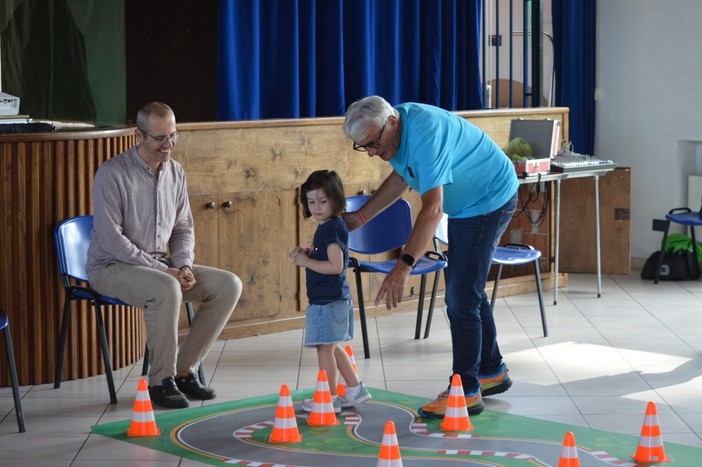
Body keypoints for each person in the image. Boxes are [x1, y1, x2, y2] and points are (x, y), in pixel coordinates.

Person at [341, 96, 519, 417]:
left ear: (392, 122)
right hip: (467, 206)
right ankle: (491, 371)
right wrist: (359, 218)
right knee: (467, 291)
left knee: (460, 298)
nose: (371, 152)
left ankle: (464, 390)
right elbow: (400, 178)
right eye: (363, 147)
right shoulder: (395, 136)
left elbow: (433, 209)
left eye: (373, 144)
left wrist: (403, 266)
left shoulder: (425, 134)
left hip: (488, 198)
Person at [87, 102, 243, 409]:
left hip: (162, 267)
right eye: (160, 138)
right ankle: (160, 381)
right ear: (138, 135)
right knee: (167, 287)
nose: (168, 145)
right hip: (112, 267)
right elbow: (111, 239)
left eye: (173, 136)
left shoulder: (176, 172)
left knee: (228, 285)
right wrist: (164, 270)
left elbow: (183, 227)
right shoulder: (112, 173)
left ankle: (184, 372)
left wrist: (183, 263)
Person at [290, 169, 372, 413]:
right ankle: (355, 389)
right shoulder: (332, 225)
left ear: (335, 200)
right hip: (335, 300)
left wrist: (306, 262)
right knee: (332, 346)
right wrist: (311, 254)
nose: (316, 207)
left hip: (328, 301)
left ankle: (329, 398)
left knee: (324, 347)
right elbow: (329, 257)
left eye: (322, 202)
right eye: (311, 201)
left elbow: (336, 267)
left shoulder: (329, 229)